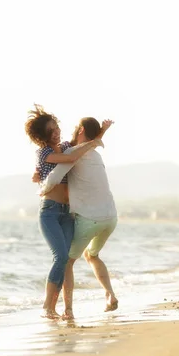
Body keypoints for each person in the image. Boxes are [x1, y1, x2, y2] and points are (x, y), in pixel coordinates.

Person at [24, 105, 105, 319]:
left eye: (57, 127)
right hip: (49, 212)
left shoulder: (67, 146)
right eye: (51, 129)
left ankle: (64, 309)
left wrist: (101, 133)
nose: (57, 131)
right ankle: (47, 307)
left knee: (67, 258)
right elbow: (72, 158)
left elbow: (83, 144)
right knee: (60, 257)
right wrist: (94, 142)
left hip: (68, 213)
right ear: (43, 135)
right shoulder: (45, 153)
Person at [39, 117, 119, 320]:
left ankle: (66, 310)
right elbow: (88, 141)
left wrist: (44, 187)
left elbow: (56, 176)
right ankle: (109, 293)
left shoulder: (72, 153)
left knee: (66, 262)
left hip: (87, 217)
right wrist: (102, 132)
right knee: (92, 255)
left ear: (81, 130)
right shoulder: (94, 153)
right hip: (111, 216)